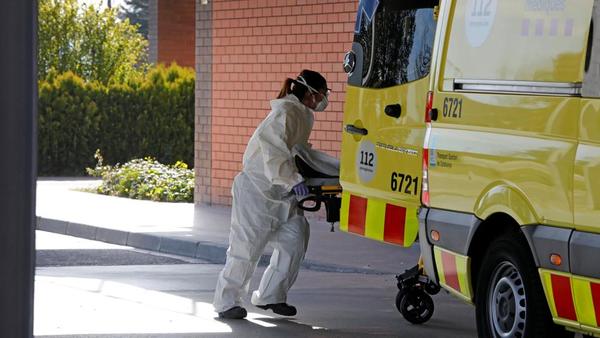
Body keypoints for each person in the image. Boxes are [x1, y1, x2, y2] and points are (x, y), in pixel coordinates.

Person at [213, 70, 337, 319]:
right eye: (322, 93)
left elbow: (298, 153)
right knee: (246, 249)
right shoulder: (286, 112)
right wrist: (293, 180)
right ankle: (226, 302)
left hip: (281, 193)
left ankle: (271, 296)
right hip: (257, 192)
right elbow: (273, 151)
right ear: (310, 93)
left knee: (295, 240)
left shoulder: (301, 114)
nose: (324, 99)